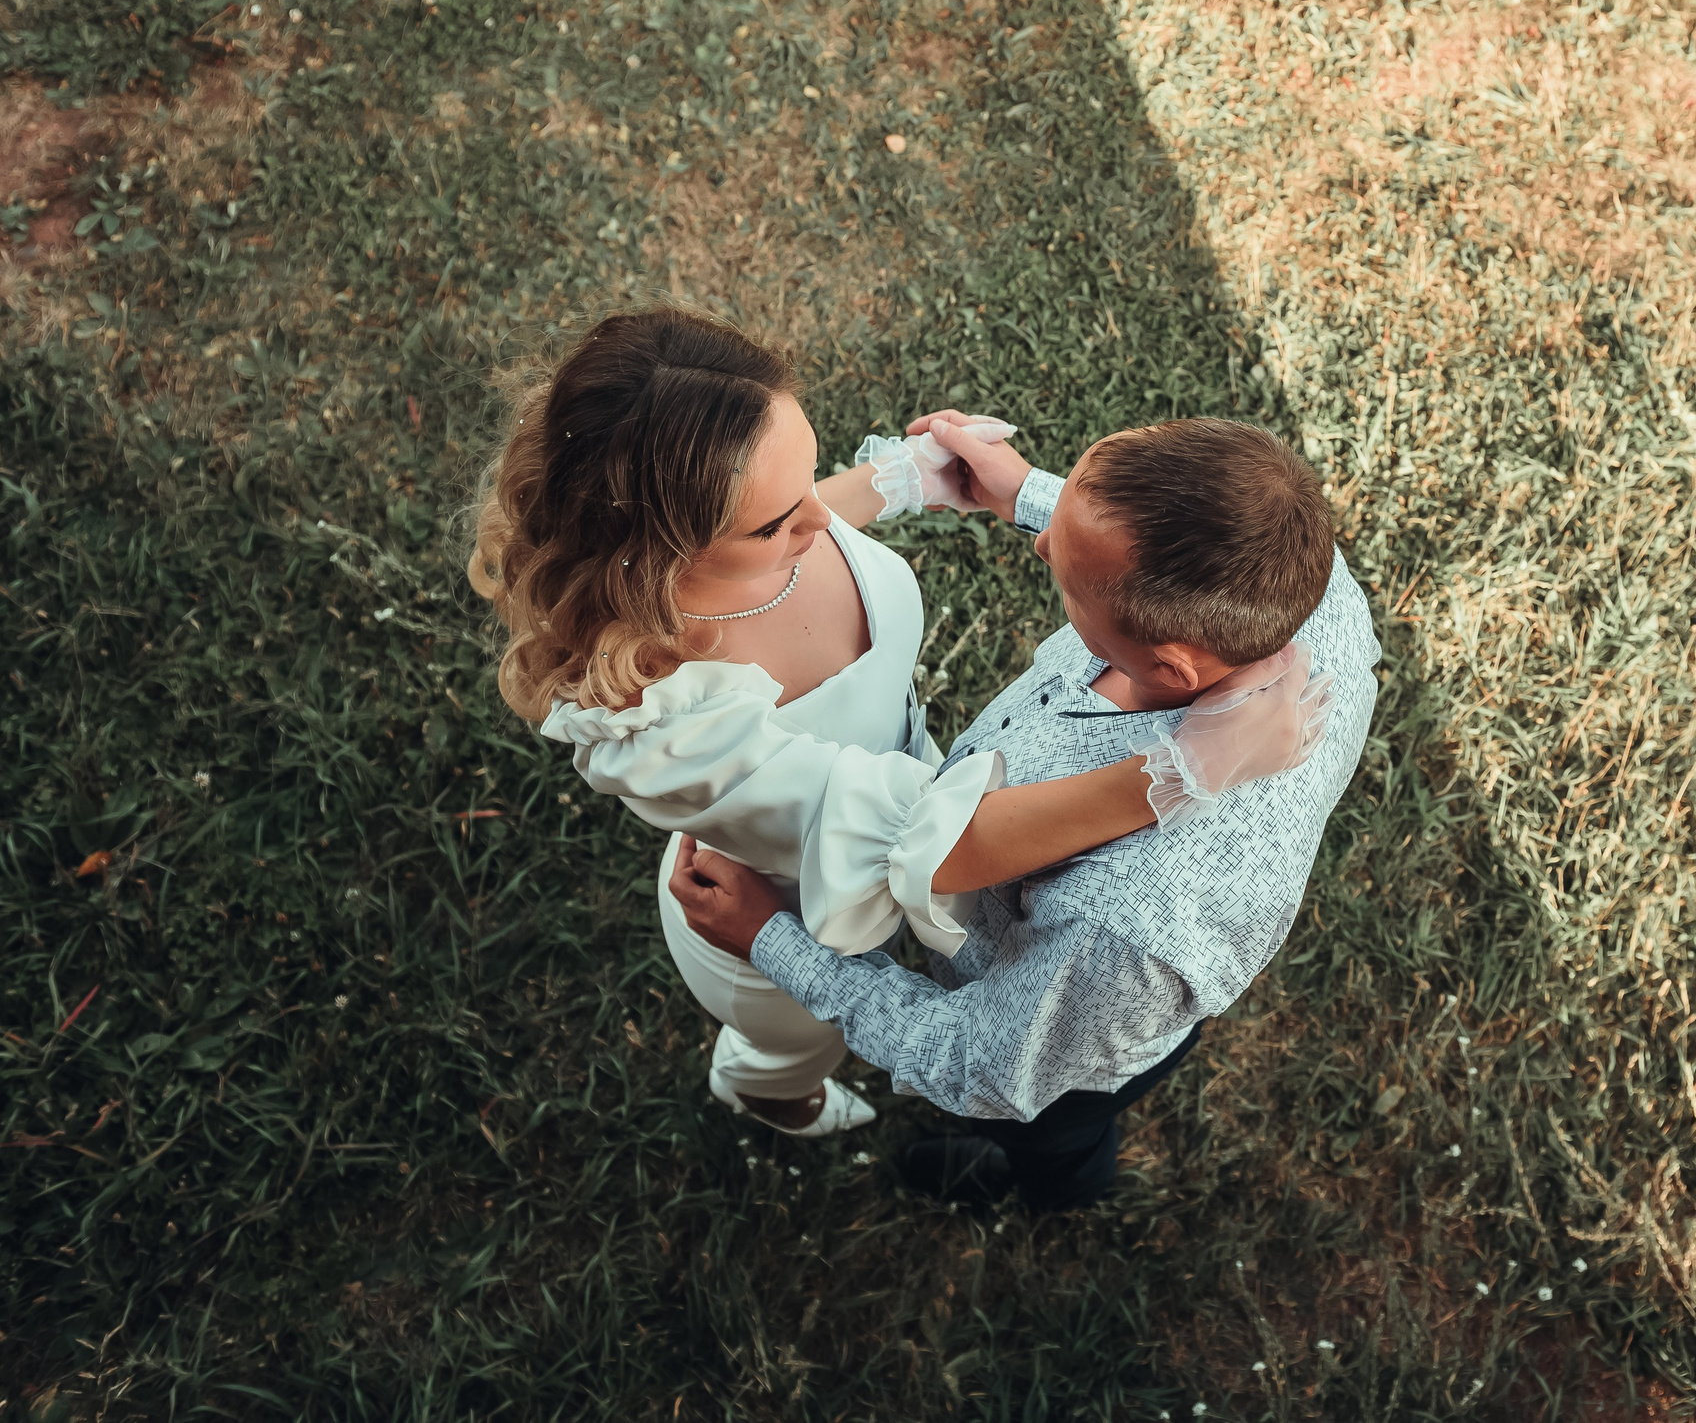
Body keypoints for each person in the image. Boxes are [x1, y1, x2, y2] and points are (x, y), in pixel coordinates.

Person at [469, 309, 1330, 1139]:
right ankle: (766, 1093)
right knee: (800, 1044)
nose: (819, 521)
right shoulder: (660, 726)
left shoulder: (770, 535)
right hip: (775, 902)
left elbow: (789, 523)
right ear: (664, 556)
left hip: (910, 821)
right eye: (774, 522)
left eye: (809, 475)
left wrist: (908, 478)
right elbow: (933, 843)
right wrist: (1182, 769)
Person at [669, 413, 1379, 1210]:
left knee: (1051, 1134)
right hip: (1080, 976)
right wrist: (1031, 495)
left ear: (1171, 666)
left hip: (1069, 1042)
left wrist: (772, 937)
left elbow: (976, 1061)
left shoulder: (1125, 921)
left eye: (1069, 576)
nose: (1042, 546)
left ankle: (1054, 1186)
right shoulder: (1308, 587)